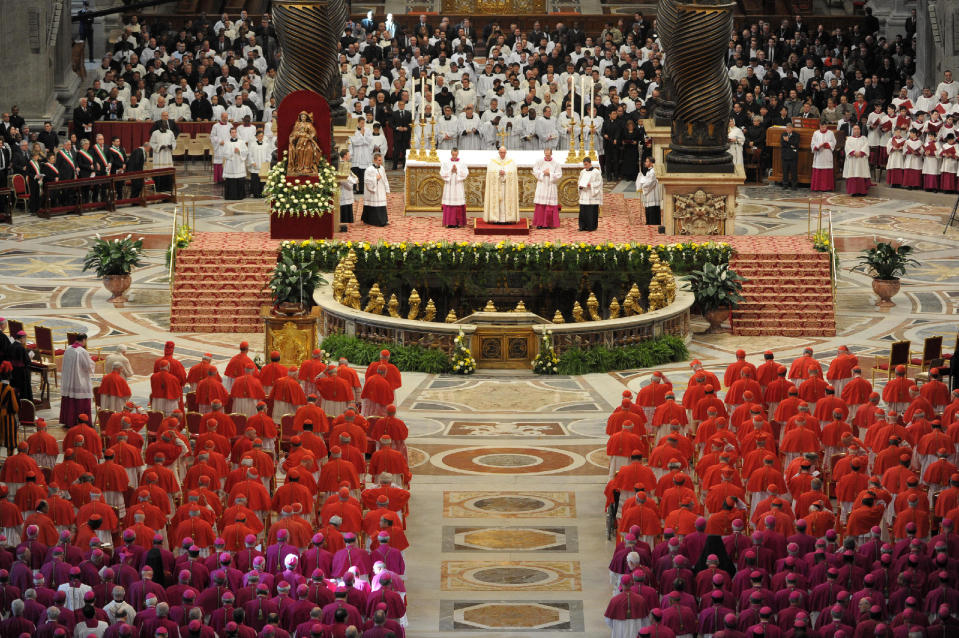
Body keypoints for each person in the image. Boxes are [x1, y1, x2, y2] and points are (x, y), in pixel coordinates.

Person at [59, 333, 95, 428]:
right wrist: (92, 364)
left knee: (70, 401)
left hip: (69, 380)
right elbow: (87, 366)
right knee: (81, 402)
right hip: (79, 380)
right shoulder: (82, 351)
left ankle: (69, 421)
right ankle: (82, 422)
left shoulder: (68, 349)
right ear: (83, 340)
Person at [482, 145, 519, 224]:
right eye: (501, 152)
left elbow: (513, 172)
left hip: (507, 186)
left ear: (506, 153)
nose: (502, 154)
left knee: (506, 202)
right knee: (498, 202)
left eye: (504, 152)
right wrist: (498, 173)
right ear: (498, 152)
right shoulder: (493, 162)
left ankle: (507, 219)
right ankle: (497, 219)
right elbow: (490, 172)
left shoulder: (511, 162)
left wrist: (505, 173)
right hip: (497, 186)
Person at [532, 148, 562, 229]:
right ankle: (539, 223)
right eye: (546, 154)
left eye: (548, 154)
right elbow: (534, 171)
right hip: (542, 184)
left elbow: (559, 174)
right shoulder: (539, 161)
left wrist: (550, 174)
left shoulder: (556, 163)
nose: (547, 156)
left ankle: (548, 224)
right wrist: (542, 173)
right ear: (544, 153)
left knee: (550, 205)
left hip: (551, 185)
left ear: (551, 154)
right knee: (540, 205)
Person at [440, 148, 468, 228]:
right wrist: (451, 171)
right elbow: (442, 173)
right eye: (453, 154)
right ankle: (449, 222)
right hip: (449, 185)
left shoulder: (462, 163)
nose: (454, 156)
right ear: (451, 154)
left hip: (458, 185)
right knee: (449, 203)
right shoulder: (446, 163)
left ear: (458, 154)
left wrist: (457, 171)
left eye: (456, 154)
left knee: (458, 203)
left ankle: (458, 222)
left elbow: (466, 173)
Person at [361, 152, 389, 227]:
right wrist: (375, 178)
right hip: (373, 191)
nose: (381, 162)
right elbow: (366, 180)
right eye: (379, 160)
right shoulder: (369, 169)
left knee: (381, 204)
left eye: (381, 160)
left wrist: (387, 189)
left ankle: (383, 220)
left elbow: (385, 178)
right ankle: (374, 221)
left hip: (381, 189)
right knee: (373, 205)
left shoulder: (382, 168)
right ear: (374, 160)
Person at [843, 124, 872, 196]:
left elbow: (866, 146)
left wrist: (861, 152)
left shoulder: (864, 138)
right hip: (852, 159)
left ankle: (862, 191)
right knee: (853, 174)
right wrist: (853, 153)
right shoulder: (849, 139)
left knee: (861, 174)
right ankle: (854, 191)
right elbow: (847, 147)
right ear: (853, 130)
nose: (856, 131)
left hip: (861, 159)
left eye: (858, 129)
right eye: (855, 129)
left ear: (860, 130)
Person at [149, 121, 176, 193]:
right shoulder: (155, 133)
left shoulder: (170, 132)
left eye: (166, 127)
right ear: (160, 126)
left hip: (167, 155)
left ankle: (168, 187)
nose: (165, 128)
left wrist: (171, 146)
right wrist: (160, 147)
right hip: (158, 155)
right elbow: (152, 143)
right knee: (159, 171)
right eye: (164, 127)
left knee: (167, 171)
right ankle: (159, 188)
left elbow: (174, 142)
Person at [578, 157, 603, 231]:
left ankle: (591, 226)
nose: (585, 166)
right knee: (583, 210)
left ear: (590, 163)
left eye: (586, 164)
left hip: (592, 194)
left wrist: (591, 185)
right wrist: (580, 186)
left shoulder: (596, 172)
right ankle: (582, 226)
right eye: (584, 165)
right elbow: (579, 181)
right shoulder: (583, 172)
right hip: (584, 193)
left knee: (591, 211)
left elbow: (599, 182)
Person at [222, 127, 248, 200]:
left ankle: (240, 196)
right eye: (232, 132)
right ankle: (230, 196)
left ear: (236, 133)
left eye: (235, 132)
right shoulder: (227, 142)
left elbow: (246, 151)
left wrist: (239, 151)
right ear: (230, 133)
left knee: (239, 179)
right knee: (231, 180)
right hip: (230, 163)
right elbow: (224, 153)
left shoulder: (241, 142)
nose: (234, 134)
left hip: (239, 163)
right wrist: (232, 152)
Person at [810, 121, 837, 191]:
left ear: (826, 126)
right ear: (819, 126)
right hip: (819, 154)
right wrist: (817, 146)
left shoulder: (830, 133)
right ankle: (817, 187)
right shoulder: (816, 133)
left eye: (824, 127)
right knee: (818, 169)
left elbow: (834, 142)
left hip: (827, 153)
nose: (823, 128)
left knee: (827, 170)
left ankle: (827, 187)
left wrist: (828, 145)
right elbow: (813, 143)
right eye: (821, 127)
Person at [348, 119, 372, 195]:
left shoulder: (367, 130)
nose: (363, 124)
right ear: (358, 123)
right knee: (355, 172)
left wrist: (362, 136)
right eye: (361, 123)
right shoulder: (353, 131)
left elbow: (369, 140)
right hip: (356, 154)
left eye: (364, 123)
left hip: (365, 155)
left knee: (363, 173)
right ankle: (354, 188)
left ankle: (362, 189)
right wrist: (362, 136)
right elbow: (354, 142)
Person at [636, 156, 660, 226]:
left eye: (647, 161)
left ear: (652, 163)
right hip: (650, 193)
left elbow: (650, 183)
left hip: (652, 193)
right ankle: (649, 222)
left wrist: (642, 186)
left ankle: (653, 223)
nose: (645, 163)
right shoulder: (649, 171)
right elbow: (647, 179)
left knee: (652, 209)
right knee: (649, 209)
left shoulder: (653, 172)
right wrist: (641, 177)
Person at [247, 129, 271, 198]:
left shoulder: (266, 145)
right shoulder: (252, 145)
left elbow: (268, 154)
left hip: (263, 166)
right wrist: (252, 162)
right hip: (255, 165)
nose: (261, 137)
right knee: (255, 180)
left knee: (263, 180)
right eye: (259, 136)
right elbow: (250, 155)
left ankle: (262, 193)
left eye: (262, 136)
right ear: (257, 137)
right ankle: (256, 193)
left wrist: (267, 162)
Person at [0, 361, 18, 452]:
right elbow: (15, 407)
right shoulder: (10, 390)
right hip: (7, 417)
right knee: (10, 441)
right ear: (10, 375)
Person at [210, 113, 232, 184]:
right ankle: (219, 179)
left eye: (227, 117)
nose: (226, 119)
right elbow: (212, 136)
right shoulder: (216, 126)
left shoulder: (230, 125)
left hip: (227, 146)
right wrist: (219, 141)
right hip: (219, 147)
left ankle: (227, 178)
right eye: (224, 117)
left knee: (227, 161)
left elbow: (233, 134)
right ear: (221, 117)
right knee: (219, 162)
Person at [338, 149, 358, 223]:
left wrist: (355, 180)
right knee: (345, 208)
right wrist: (353, 183)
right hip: (344, 189)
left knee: (348, 206)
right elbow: (343, 178)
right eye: (348, 154)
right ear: (345, 156)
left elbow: (351, 175)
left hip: (348, 189)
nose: (350, 156)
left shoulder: (346, 164)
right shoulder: (342, 165)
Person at [780, 122, 800, 189]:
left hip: (793, 156)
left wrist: (788, 140)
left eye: (789, 128)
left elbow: (796, 144)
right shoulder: (783, 134)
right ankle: (785, 185)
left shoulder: (797, 135)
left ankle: (794, 185)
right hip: (785, 155)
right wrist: (791, 144)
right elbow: (783, 144)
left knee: (793, 171)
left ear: (792, 128)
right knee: (785, 171)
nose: (787, 129)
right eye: (787, 128)